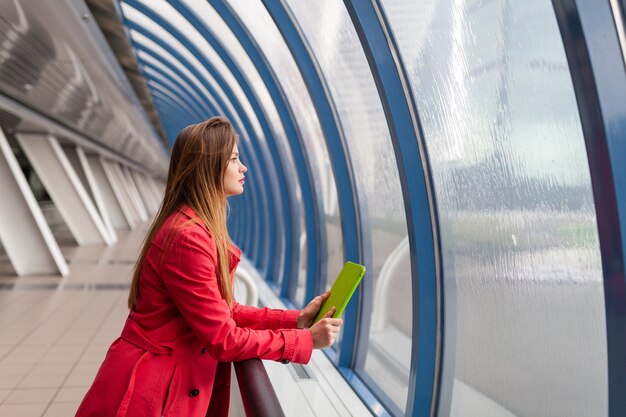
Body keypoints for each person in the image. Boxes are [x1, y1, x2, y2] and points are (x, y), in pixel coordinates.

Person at [75, 116, 343, 417]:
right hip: (151, 394)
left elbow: (225, 311)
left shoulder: (194, 226)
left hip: (162, 381)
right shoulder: (187, 238)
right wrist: (303, 341)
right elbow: (224, 338)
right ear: (209, 167)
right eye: (234, 159)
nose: (243, 168)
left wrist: (297, 320)